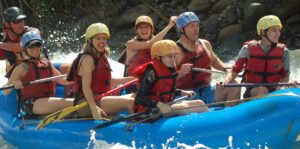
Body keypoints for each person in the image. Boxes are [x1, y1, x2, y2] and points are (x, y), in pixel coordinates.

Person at [67, 23, 135, 120]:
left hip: (100, 98)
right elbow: (86, 87)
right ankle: (137, 129)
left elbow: (107, 81)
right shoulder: (88, 59)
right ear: (90, 40)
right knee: (130, 102)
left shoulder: (101, 56)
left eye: (104, 38)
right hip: (85, 103)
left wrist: (133, 79)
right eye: (98, 38)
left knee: (135, 96)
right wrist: (94, 108)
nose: (102, 41)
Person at [2, 31, 74, 117]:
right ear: (25, 49)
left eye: (38, 45)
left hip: (47, 101)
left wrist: (78, 77)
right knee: (74, 103)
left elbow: (63, 81)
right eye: (31, 46)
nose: (35, 49)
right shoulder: (22, 67)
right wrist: (14, 85)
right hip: (33, 104)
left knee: (78, 102)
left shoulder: (47, 64)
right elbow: (5, 91)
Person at [175, 12, 240, 104]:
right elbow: (165, 80)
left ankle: (227, 115)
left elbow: (214, 60)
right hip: (187, 94)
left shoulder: (205, 44)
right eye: (191, 26)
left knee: (234, 85)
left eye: (197, 25)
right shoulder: (175, 50)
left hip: (207, 90)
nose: (196, 29)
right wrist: (180, 73)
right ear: (182, 30)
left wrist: (226, 69)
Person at [222, 15, 295, 98]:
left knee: (294, 86)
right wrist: (226, 81)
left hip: (275, 90)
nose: (278, 33)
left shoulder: (284, 51)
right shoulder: (247, 49)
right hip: (254, 90)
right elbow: (235, 70)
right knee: (261, 90)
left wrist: (283, 87)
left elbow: (285, 76)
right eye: (274, 30)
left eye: (279, 30)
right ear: (263, 32)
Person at [133, 39, 208, 116]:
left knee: (200, 103)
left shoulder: (170, 68)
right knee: (187, 107)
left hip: (166, 104)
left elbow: (165, 90)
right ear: (158, 57)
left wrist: (182, 92)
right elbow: (139, 98)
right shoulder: (152, 71)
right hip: (150, 110)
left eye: (174, 56)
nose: (173, 60)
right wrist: (158, 104)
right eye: (169, 57)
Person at [0, 6, 39, 70]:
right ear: (7, 24)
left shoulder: (33, 31)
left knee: (62, 67)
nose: (21, 24)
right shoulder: (3, 43)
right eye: (16, 21)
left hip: (41, 71)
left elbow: (23, 47)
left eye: (22, 20)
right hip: (19, 77)